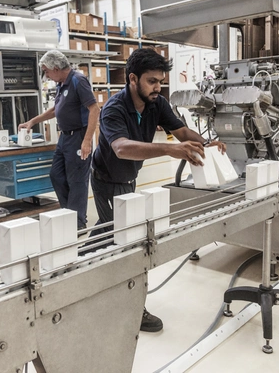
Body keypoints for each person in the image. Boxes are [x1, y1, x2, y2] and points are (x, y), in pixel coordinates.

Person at [90, 48, 226, 333]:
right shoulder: (114, 109)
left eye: (160, 81)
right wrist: (171, 149)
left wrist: (207, 143)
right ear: (132, 79)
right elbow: (122, 148)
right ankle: (130, 306)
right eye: (151, 81)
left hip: (128, 179)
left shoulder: (157, 103)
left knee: (107, 234)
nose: (158, 87)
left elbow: (181, 132)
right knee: (122, 240)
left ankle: (83, 276)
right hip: (106, 179)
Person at [19, 50, 99, 230]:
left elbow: (94, 110)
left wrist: (87, 141)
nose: (46, 75)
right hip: (65, 138)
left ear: (56, 68)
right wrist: (32, 121)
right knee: (56, 175)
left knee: (77, 180)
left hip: (79, 137)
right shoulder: (61, 84)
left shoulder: (78, 80)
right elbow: (56, 110)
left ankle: (78, 223)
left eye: (47, 71)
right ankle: (68, 213)